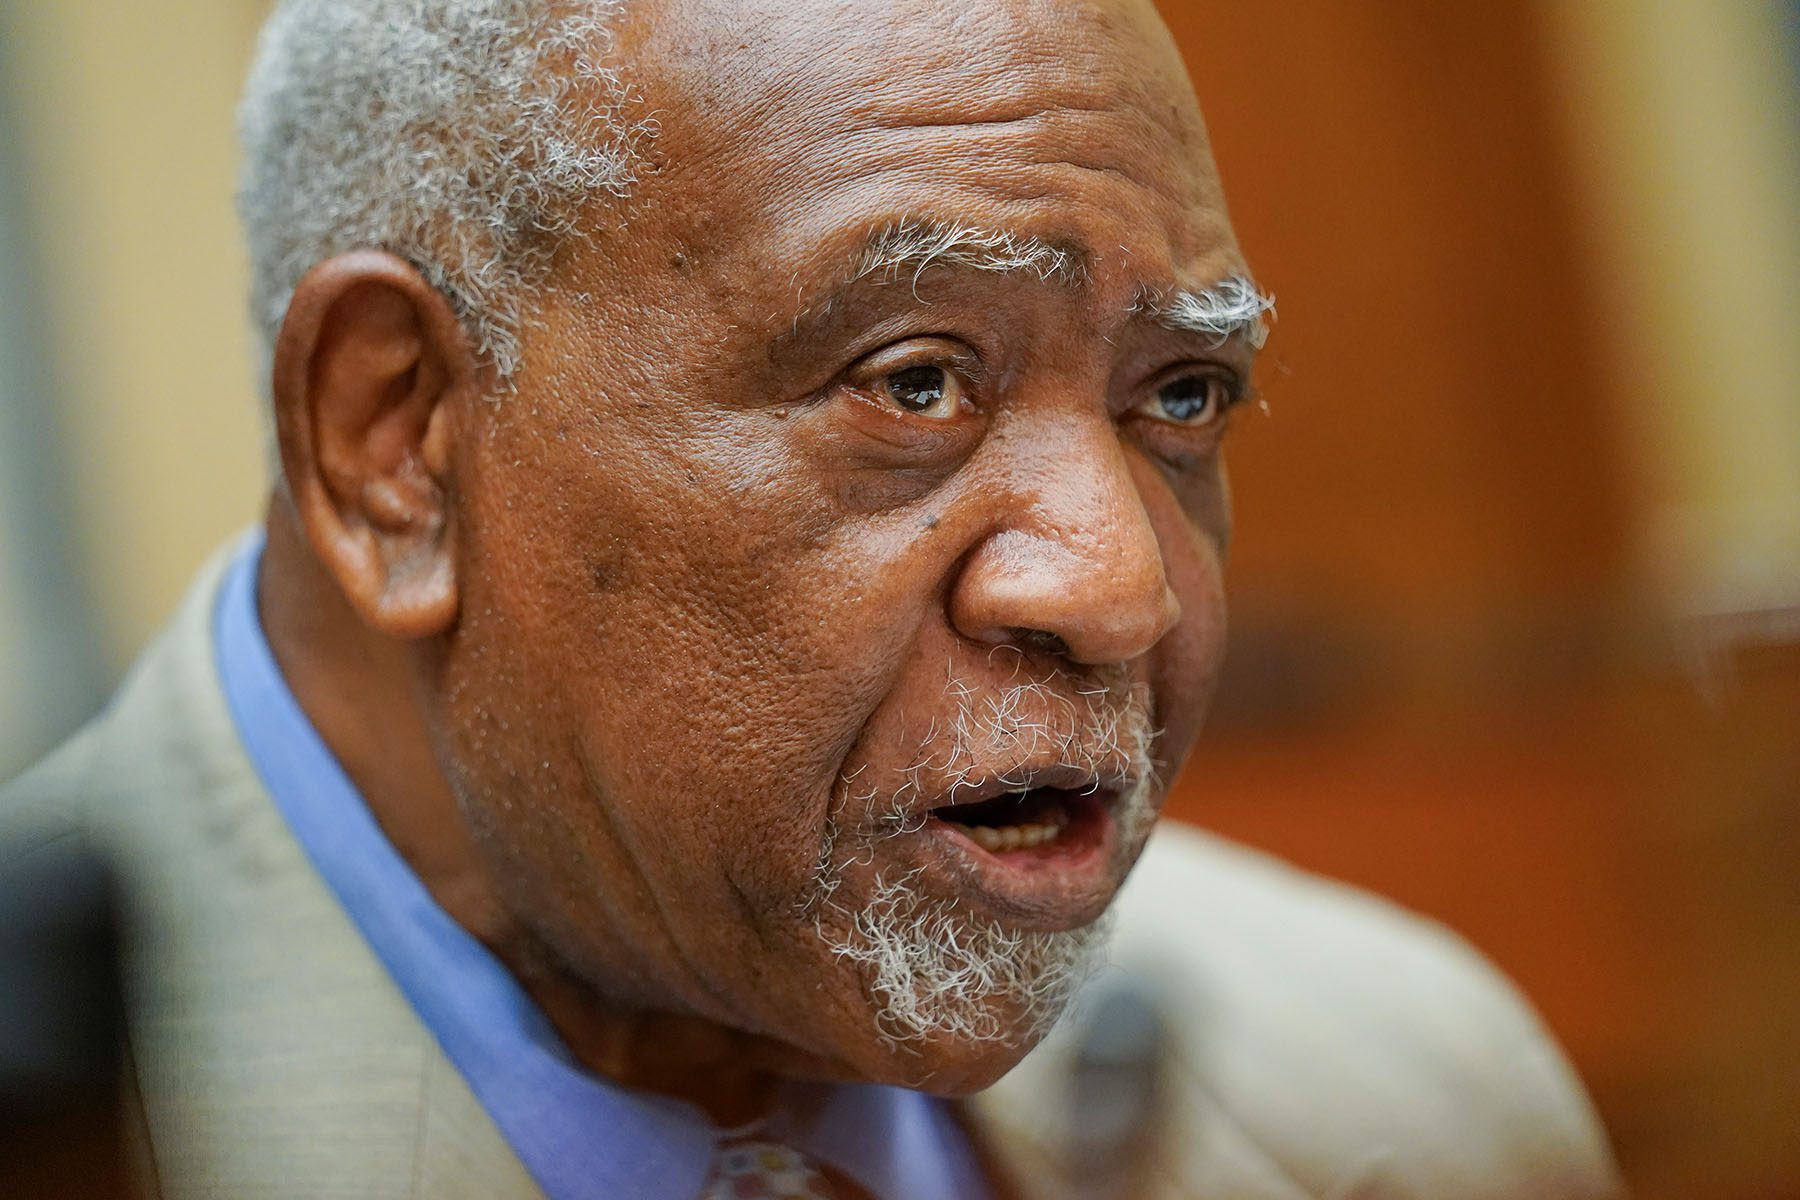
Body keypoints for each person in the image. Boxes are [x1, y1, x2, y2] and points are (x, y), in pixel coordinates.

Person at [0, 1, 1624, 1196]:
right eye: (912, 382)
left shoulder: (1411, 1090)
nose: (1122, 590)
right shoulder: (85, 1132)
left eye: (1181, 397)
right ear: (397, 444)